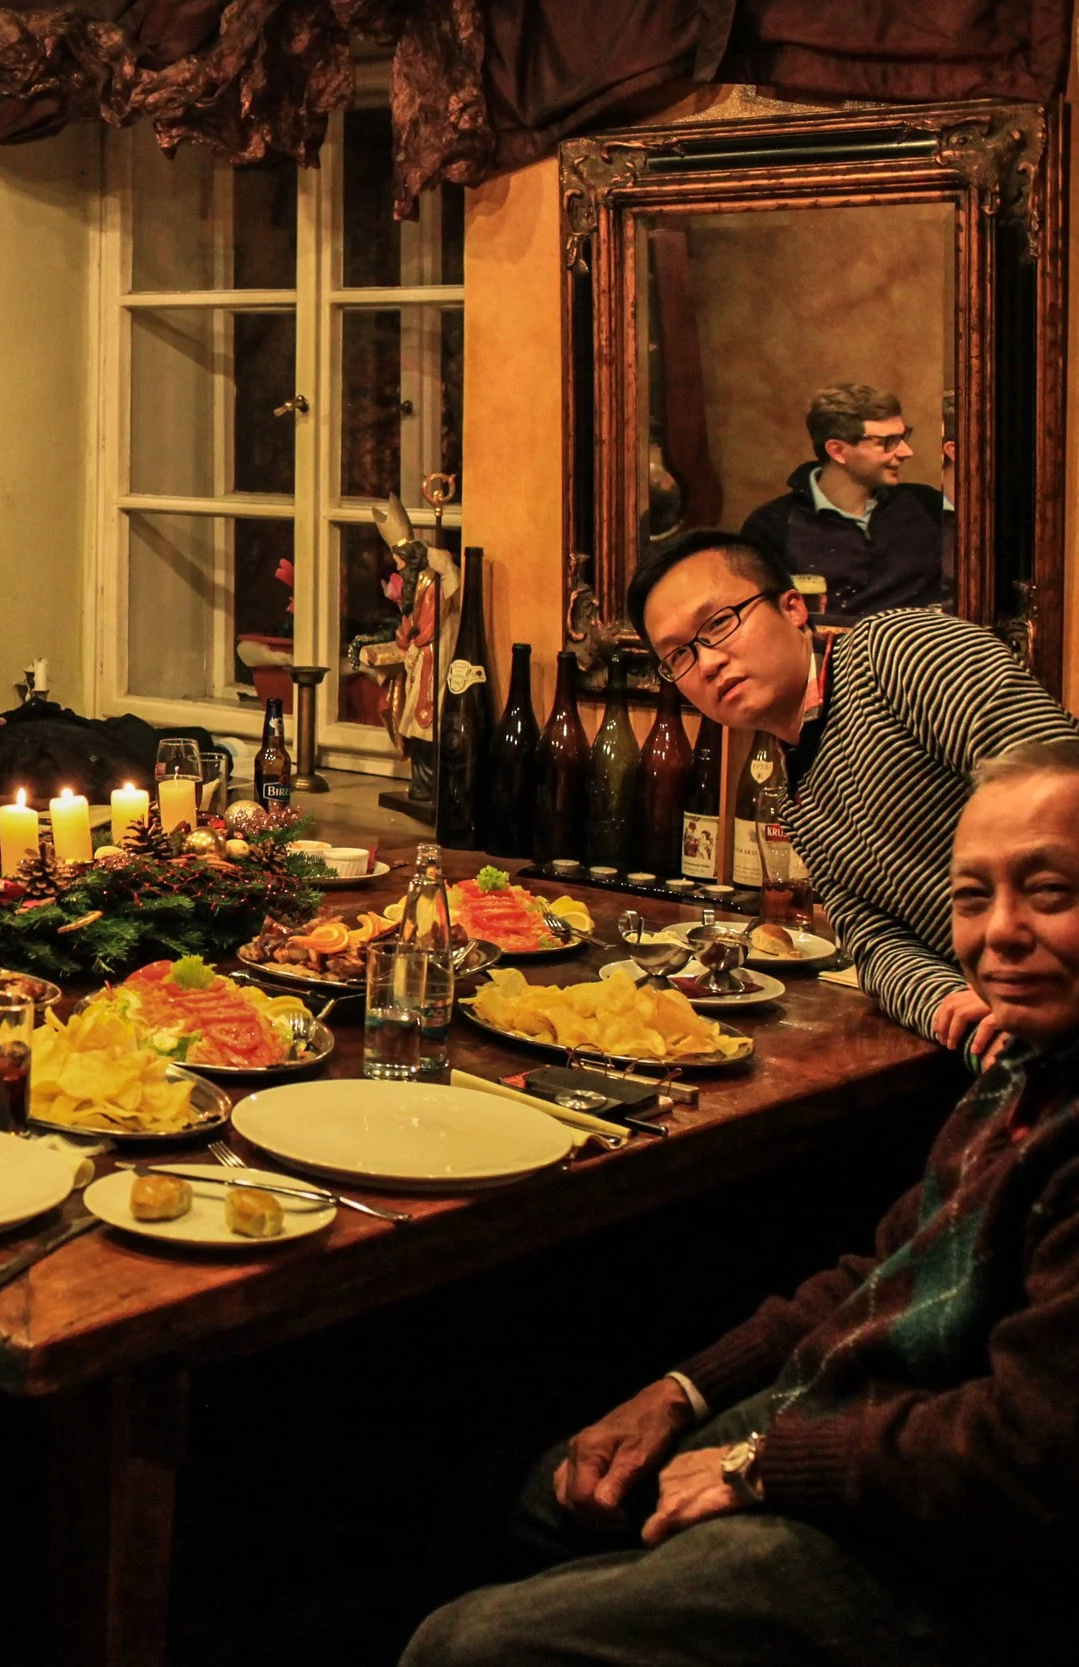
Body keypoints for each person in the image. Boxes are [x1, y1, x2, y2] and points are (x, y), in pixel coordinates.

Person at [402, 738, 1079, 1666]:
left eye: (1050, 892)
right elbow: (882, 1276)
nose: (999, 931)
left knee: (464, 1644)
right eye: (972, 896)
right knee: (535, 1493)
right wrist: (683, 1390)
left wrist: (766, 1463)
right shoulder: (1026, 1063)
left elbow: (1029, 1457)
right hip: (880, 1437)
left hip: (974, 1562)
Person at [626, 527, 1077, 1053]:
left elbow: (1061, 787)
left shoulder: (897, 653)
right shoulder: (798, 788)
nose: (707, 663)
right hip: (1014, 1031)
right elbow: (874, 942)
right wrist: (948, 1002)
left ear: (793, 607)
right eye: (678, 655)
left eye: (719, 624)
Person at [737, 384, 950, 624]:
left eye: (903, 437)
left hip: (920, 645)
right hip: (827, 647)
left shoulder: (927, 505)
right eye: (888, 441)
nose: (906, 451)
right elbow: (762, 621)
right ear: (837, 450)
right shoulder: (772, 526)